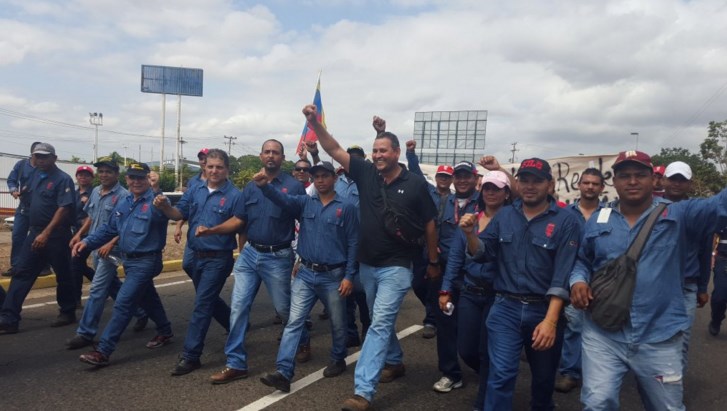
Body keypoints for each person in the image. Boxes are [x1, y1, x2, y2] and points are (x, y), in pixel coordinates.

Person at [302, 104, 440, 411]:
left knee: (377, 324)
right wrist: (314, 122)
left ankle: (363, 391)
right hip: (368, 266)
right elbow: (334, 148)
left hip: (397, 266)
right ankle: (394, 360)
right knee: (380, 318)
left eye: (383, 150)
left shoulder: (415, 184)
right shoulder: (365, 173)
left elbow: (430, 223)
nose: (377, 155)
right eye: (374, 150)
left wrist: (432, 261)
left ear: (396, 153)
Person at [570, 150, 727, 410]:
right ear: (615, 182)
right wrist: (577, 282)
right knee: (597, 403)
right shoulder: (599, 218)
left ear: (654, 180)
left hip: (660, 335)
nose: (632, 181)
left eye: (640, 175)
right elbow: (582, 260)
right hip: (603, 333)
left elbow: (720, 204)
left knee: (667, 407)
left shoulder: (680, 214)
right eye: (625, 176)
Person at [460, 157, 581, 411]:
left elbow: (562, 275)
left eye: (537, 180)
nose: (529, 185)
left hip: (544, 310)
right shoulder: (505, 216)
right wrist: (470, 235)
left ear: (550, 184)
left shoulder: (566, 220)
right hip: (505, 308)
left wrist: (550, 321)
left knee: (543, 380)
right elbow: (483, 252)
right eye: (524, 180)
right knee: (500, 375)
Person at [195, 139, 308, 385]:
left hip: (278, 257)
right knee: (238, 308)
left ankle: (303, 339)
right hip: (249, 255)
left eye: (275, 152)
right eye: (267, 151)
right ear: (260, 155)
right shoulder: (250, 187)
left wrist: (300, 258)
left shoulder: (293, 186)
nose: (271, 156)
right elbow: (240, 221)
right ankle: (236, 363)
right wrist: (212, 230)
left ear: (282, 157)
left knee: (284, 309)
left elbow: (304, 222)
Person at [257, 161, 359, 392]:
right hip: (304, 273)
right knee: (293, 322)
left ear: (334, 178)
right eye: (316, 177)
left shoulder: (347, 207)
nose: (320, 180)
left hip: (334, 275)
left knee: (337, 322)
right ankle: (283, 372)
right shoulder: (305, 202)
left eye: (325, 176)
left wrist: (349, 276)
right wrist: (265, 187)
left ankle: (337, 358)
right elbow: (283, 200)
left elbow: (354, 243)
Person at [73, 162, 173, 366]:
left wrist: (157, 190)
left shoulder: (156, 201)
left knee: (124, 303)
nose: (136, 181)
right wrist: (86, 241)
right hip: (129, 260)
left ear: (148, 179)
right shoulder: (124, 201)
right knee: (148, 297)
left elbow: (163, 209)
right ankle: (165, 330)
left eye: (141, 178)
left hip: (147, 260)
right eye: (132, 177)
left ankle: (103, 351)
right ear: (126, 179)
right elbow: (110, 229)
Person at [154, 149, 240, 376]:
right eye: (210, 166)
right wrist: (164, 207)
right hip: (195, 257)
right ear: (205, 167)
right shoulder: (195, 190)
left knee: (202, 305)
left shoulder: (235, 195)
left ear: (227, 170)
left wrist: (213, 231)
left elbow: (240, 224)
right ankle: (236, 327)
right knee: (208, 300)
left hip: (218, 259)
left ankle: (191, 356)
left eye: (219, 167)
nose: (214, 171)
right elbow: (177, 214)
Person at [441, 170, 512, 410]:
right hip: (470, 292)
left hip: (499, 295)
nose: (491, 193)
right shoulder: (470, 219)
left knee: (486, 351)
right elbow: (454, 259)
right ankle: (496, 379)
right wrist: (445, 290)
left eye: (497, 189)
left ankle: (484, 401)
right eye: (488, 188)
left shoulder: (514, 219)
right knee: (467, 349)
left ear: (506, 193)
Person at [66, 157, 149, 350]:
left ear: (117, 175)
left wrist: (111, 243)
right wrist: (79, 235)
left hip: (111, 249)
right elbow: (91, 217)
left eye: (108, 172)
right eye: (101, 171)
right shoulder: (95, 191)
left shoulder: (124, 196)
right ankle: (140, 311)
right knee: (112, 285)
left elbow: (124, 226)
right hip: (94, 245)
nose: (104, 175)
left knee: (97, 289)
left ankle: (85, 333)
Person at [0, 143, 78, 334]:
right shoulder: (34, 176)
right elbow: (28, 199)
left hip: (56, 235)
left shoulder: (63, 179)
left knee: (63, 275)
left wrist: (46, 232)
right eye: (37, 156)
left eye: (44, 156)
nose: (40, 160)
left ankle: (67, 311)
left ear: (54, 158)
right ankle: (9, 319)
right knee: (21, 273)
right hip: (35, 233)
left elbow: (64, 208)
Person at [431, 160, 480, 393]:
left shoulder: (487, 199)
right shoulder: (445, 202)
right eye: (458, 176)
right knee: (446, 323)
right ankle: (451, 373)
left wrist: (500, 169)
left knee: (479, 327)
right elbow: (435, 231)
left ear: (475, 178)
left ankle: (486, 367)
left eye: (466, 176)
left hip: (477, 275)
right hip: (448, 272)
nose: (462, 180)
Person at [554, 168, 605, 394]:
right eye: (586, 182)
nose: (590, 187)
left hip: (602, 279)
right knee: (573, 324)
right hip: (569, 276)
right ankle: (570, 372)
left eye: (595, 183)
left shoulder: (610, 214)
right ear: (579, 185)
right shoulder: (566, 213)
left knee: (602, 326)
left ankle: (599, 372)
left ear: (602, 188)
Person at [662, 161, 711, 373]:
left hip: (686, 287)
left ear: (689, 184)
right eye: (673, 178)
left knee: (680, 340)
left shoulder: (700, 213)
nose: (677, 184)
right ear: (664, 180)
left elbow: (705, 251)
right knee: (651, 339)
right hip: (653, 287)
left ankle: (674, 388)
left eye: (682, 180)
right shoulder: (647, 207)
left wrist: (702, 288)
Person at [405, 138, 452, 340]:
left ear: (451, 179)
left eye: (447, 176)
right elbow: (415, 172)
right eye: (440, 175)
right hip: (424, 248)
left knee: (438, 286)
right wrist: (410, 154)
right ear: (437, 177)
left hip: (447, 251)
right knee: (418, 284)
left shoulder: (456, 200)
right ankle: (433, 311)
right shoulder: (427, 190)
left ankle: (432, 320)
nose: (443, 178)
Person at [334, 144, 371, 348]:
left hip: (363, 244)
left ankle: (367, 329)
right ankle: (350, 332)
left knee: (362, 292)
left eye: (358, 159)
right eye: (351, 158)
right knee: (343, 292)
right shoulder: (336, 182)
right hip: (339, 245)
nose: (353, 162)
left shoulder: (368, 182)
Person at [4, 142, 41, 277]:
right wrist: (13, 190)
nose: (40, 158)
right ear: (32, 154)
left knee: (39, 238)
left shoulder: (45, 168)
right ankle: (16, 266)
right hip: (23, 209)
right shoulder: (21, 165)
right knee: (18, 236)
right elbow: (11, 180)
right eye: (38, 155)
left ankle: (42, 266)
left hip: (40, 210)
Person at [70, 165, 96, 306]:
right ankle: (104, 285)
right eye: (80, 175)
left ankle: (76, 298)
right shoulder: (73, 194)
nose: (83, 177)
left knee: (75, 263)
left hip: (89, 233)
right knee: (78, 264)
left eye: (86, 175)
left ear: (92, 178)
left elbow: (92, 216)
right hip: (74, 232)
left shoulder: (95, 193)